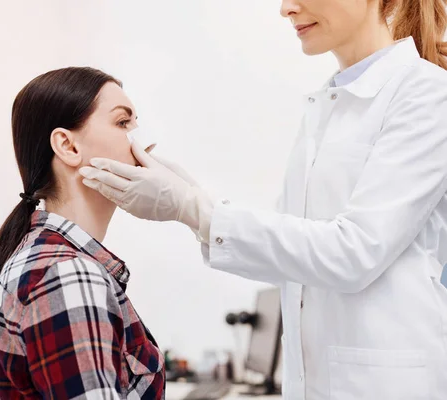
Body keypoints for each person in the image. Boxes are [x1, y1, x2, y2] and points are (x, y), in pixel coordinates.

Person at [79, 1, 447, 399]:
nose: (287, 9)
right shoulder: (327, 107)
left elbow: (355, 252)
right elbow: (296, 256)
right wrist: (192, 204)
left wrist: (194, 209)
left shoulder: (427, 95)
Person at [0, 67, 165, 400]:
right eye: (123, 123)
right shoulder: (69, 274)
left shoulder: (42, 256)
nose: (141, 142)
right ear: (67, 146)